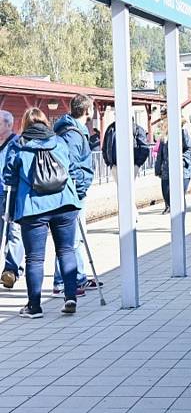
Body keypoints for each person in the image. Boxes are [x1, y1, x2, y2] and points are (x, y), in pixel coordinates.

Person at [1, 108, 83, 318]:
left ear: (25, 124)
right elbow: (72, 170)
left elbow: (9, 179)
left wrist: (8, 211)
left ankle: (34, 306)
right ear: (45, 122)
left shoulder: (18, 145)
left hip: (33, 207)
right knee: (66, 251)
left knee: (35, 259)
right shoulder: (60, 141)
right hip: (65, 204)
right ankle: (71, 297)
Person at [52, 94, 95, 295]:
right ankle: (64, 280)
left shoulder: (74, 130)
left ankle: (78, 277)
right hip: (73, 191)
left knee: (73, 237)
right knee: (70, 238)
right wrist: (79, 189)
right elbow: (72, 165)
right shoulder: (72, 134)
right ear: (87, 110)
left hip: (75, 189)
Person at [0, 110, 23, 289]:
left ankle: (11, 270)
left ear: (9, 125)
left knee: (14, 231)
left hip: (10, 194)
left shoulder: (16, 143)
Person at [154, 116, 191, 214]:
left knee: (178, 197)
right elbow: (160, 155)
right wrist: (158, 169)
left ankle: (180, 223)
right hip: (167, 171)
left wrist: (183, 129)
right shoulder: (164, 138)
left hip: (183, 170)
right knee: (167, 196)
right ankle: (176, 219)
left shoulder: (185, 135)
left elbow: (187, 144)